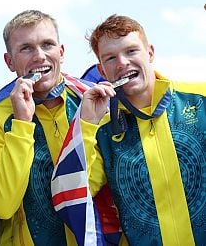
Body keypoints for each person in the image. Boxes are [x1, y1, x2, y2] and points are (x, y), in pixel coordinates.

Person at [80, 14, 206, 245]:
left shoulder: (201, 99)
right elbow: (76, 193)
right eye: (110, 58)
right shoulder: (102, 130)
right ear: (101, 70)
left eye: (131, 51)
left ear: (150, 52)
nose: (122, 63)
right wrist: (86, 124)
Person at [0, 10, 95, 245]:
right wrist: (21, 124)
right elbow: (2, 204)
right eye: (26, 48)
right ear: (10, 62)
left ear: (61, 52)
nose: (40, 56)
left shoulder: (89, 102)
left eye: (47, 44)